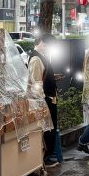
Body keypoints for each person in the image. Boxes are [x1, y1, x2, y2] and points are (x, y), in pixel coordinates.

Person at [28, 32, 60, 168]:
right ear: (40, 42)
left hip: (48, 98)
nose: (47, 47)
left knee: (51, 127)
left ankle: (50, 155)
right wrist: (41, 103)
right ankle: (48, 157)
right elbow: (36, 83)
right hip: (45, 99)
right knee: (48, 128)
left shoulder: (41, 57)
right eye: (46, 44)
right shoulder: (36, 59)